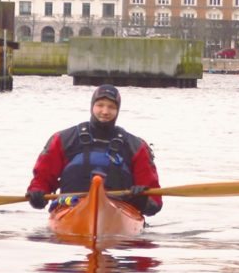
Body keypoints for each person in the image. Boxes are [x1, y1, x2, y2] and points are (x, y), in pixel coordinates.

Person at [27, 84, 162, 214]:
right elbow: (43, 177)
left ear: (118, 110)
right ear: (92, 107)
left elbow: (154, 202)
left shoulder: (136, 146)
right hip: (70, 206)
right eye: (100, 105)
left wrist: (142, 198)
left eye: (111, 107)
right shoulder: (63, 139)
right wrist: (37, 192)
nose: (105, 111)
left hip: (119, 209)